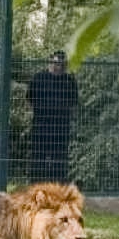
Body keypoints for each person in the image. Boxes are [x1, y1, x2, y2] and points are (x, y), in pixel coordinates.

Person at [26, 50, 78, 183]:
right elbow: (29, 100)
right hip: (41, 125)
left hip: (61, 127)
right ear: (50, 62)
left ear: (65, 65)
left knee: (59, 158)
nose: (59, 67)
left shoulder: (69, 81)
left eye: (62, 64)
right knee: (38, 156)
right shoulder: (39, 78)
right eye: (56, 63)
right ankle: (36, 186)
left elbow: (73, 104)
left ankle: (58, 187)